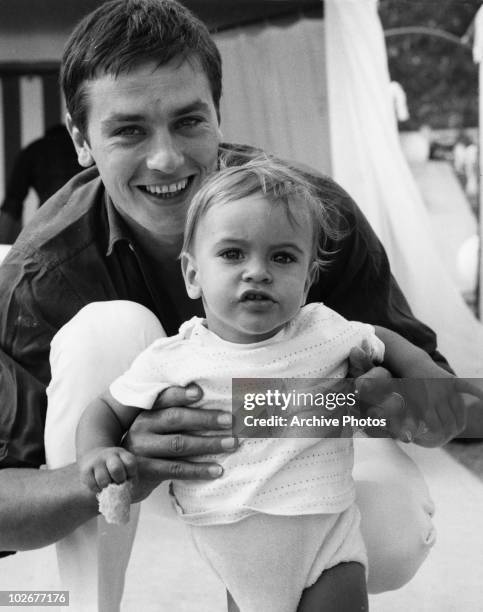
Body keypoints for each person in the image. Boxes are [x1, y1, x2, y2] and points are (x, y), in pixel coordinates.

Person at [0, 0, 465, 609]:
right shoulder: (45, 272)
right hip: (144, 475)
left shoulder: (312, 219)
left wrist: (368, 405)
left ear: (219, 116)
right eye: (129, 129)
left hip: (311, 458)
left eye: (189, 121)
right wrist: (118, 466)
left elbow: (447, 405)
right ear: (81, 140)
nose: (166, 158)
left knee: (395, 530)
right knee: (107, 330)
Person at [74, 157, 472, 612]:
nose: (258, 271)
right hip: (233, 538)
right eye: (231, 254)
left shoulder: (323, 330)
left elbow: (379, 336)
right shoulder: (174, 358)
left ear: (306, 280)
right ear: (192, 273)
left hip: (326, 534)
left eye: (282, 257)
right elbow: (105, 409)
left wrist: (426, 373)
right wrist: (98, 452)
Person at [0, 124, 81, 244]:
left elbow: (12, 204)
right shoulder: (83, 149)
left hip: (48, 226)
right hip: (85, 221)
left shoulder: (34, 150)